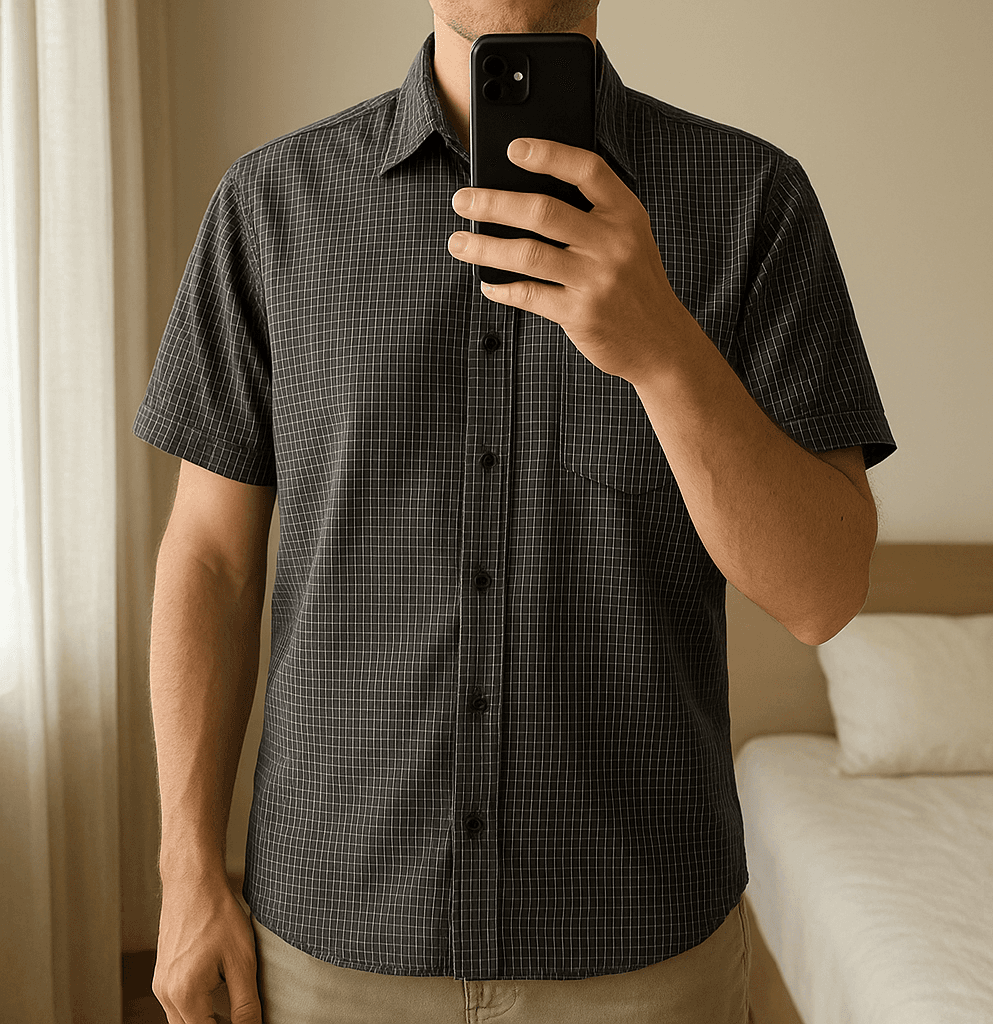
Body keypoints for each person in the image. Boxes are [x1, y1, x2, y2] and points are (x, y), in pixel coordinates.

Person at [136, 0, 896, 1021]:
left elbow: (823, 593)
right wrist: (187, 867)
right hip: (328, 944)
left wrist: (664, 351)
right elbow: (210, 562)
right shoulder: (271, 206)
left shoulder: (752, 202)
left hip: (644, 957)